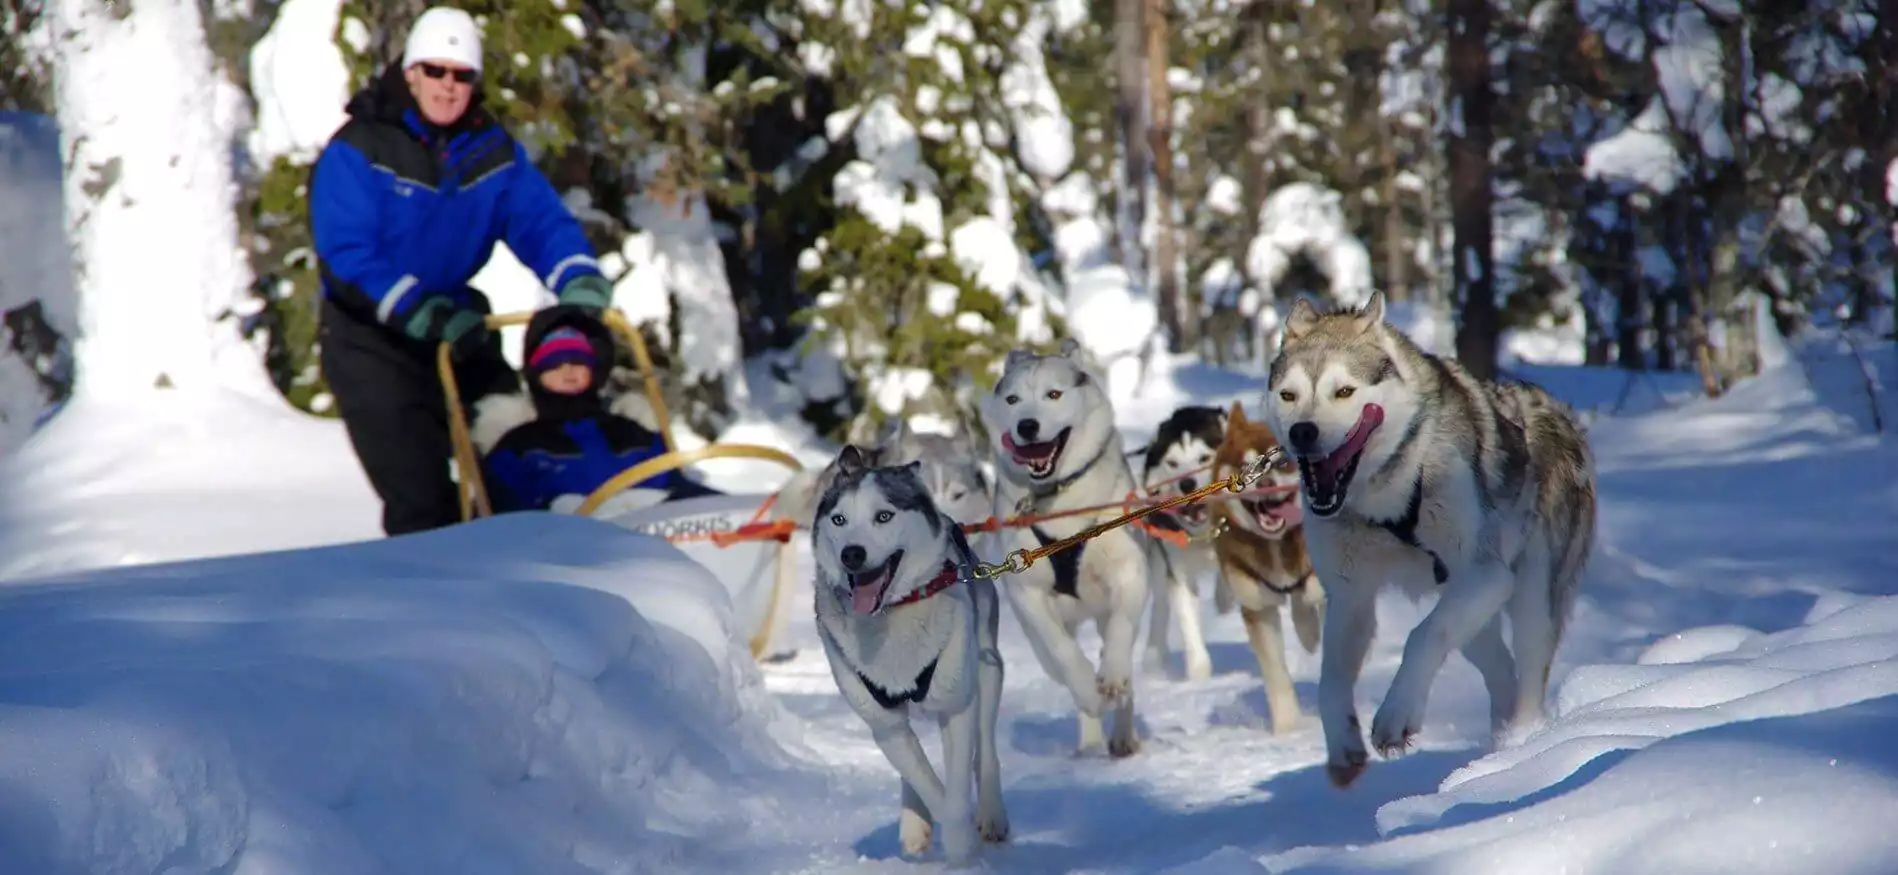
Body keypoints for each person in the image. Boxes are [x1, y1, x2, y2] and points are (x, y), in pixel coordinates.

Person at [308, 6, 615, 536]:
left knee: (517, 453)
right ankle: (438, 604)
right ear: (410, 73)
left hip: (458, 325)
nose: (447, 88)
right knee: (421, 495)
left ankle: (545, 563)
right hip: (373, 340)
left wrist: (575, 274)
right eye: (435, 72)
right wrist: (414, 306)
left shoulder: (490, 150)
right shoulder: (361, 147)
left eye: (461, 76)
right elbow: (347, 253)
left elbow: (538, 219)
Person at [482, 305, 719, 513]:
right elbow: (505, 518)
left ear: (594, 371)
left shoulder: (634, 435)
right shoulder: (518, 447)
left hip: (656, 546)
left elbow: (676, 489)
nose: (568, 371)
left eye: (577, 361)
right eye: (554, 363)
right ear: (536, 374)